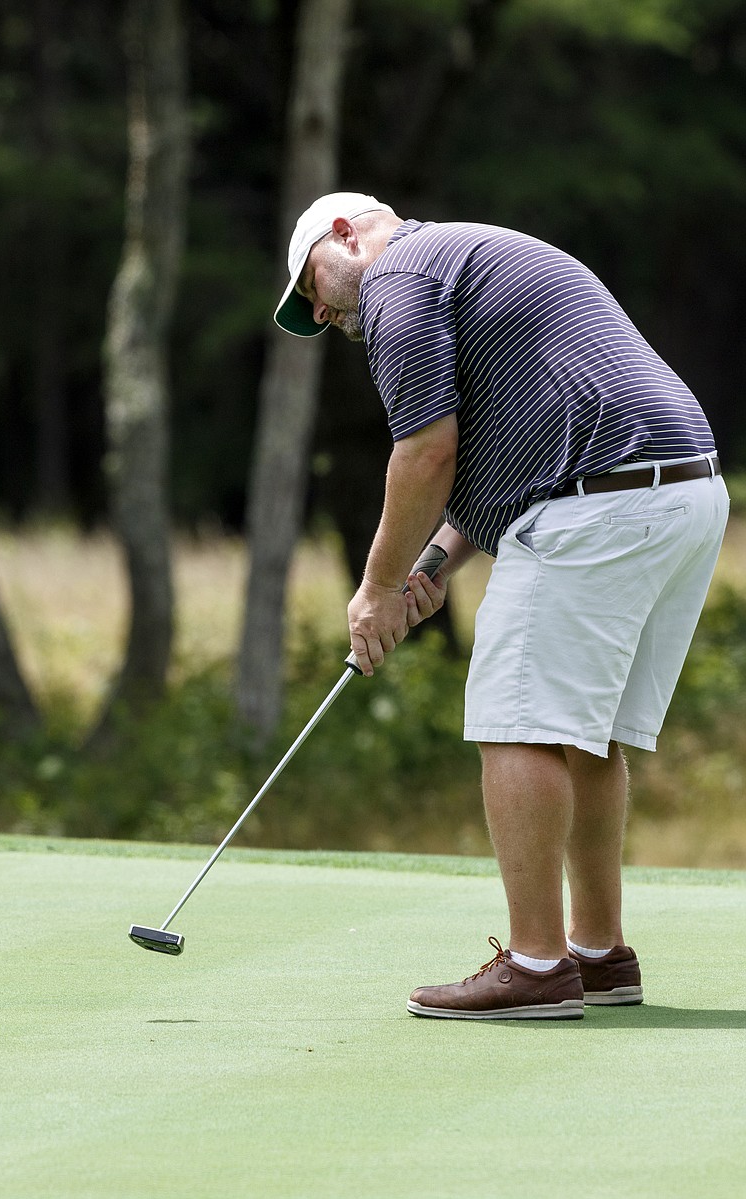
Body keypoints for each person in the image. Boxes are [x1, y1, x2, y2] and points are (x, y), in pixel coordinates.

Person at [273, 191, 729, 1021]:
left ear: (344, 234)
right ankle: (597, 956)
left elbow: (425, 451)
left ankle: (534, 966)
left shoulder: (397, 279)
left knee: (515, 723)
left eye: (311, 286)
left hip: (598, 503)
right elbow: (496, 452)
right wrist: (435, 562)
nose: (320, 309)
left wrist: (376, 588)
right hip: (682, 490)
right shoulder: (460, 262)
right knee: (584, 732)